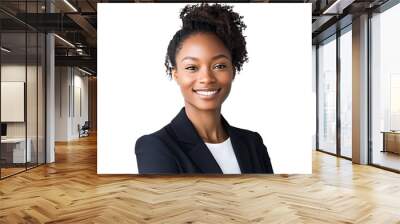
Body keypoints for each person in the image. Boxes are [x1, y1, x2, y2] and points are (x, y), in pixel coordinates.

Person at [135, 3, 273, 174]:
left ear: (233, 71)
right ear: (176, 74)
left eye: (219, 66)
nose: (207, 78)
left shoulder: (253, 143)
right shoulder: (156, 147)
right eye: (192, 67)